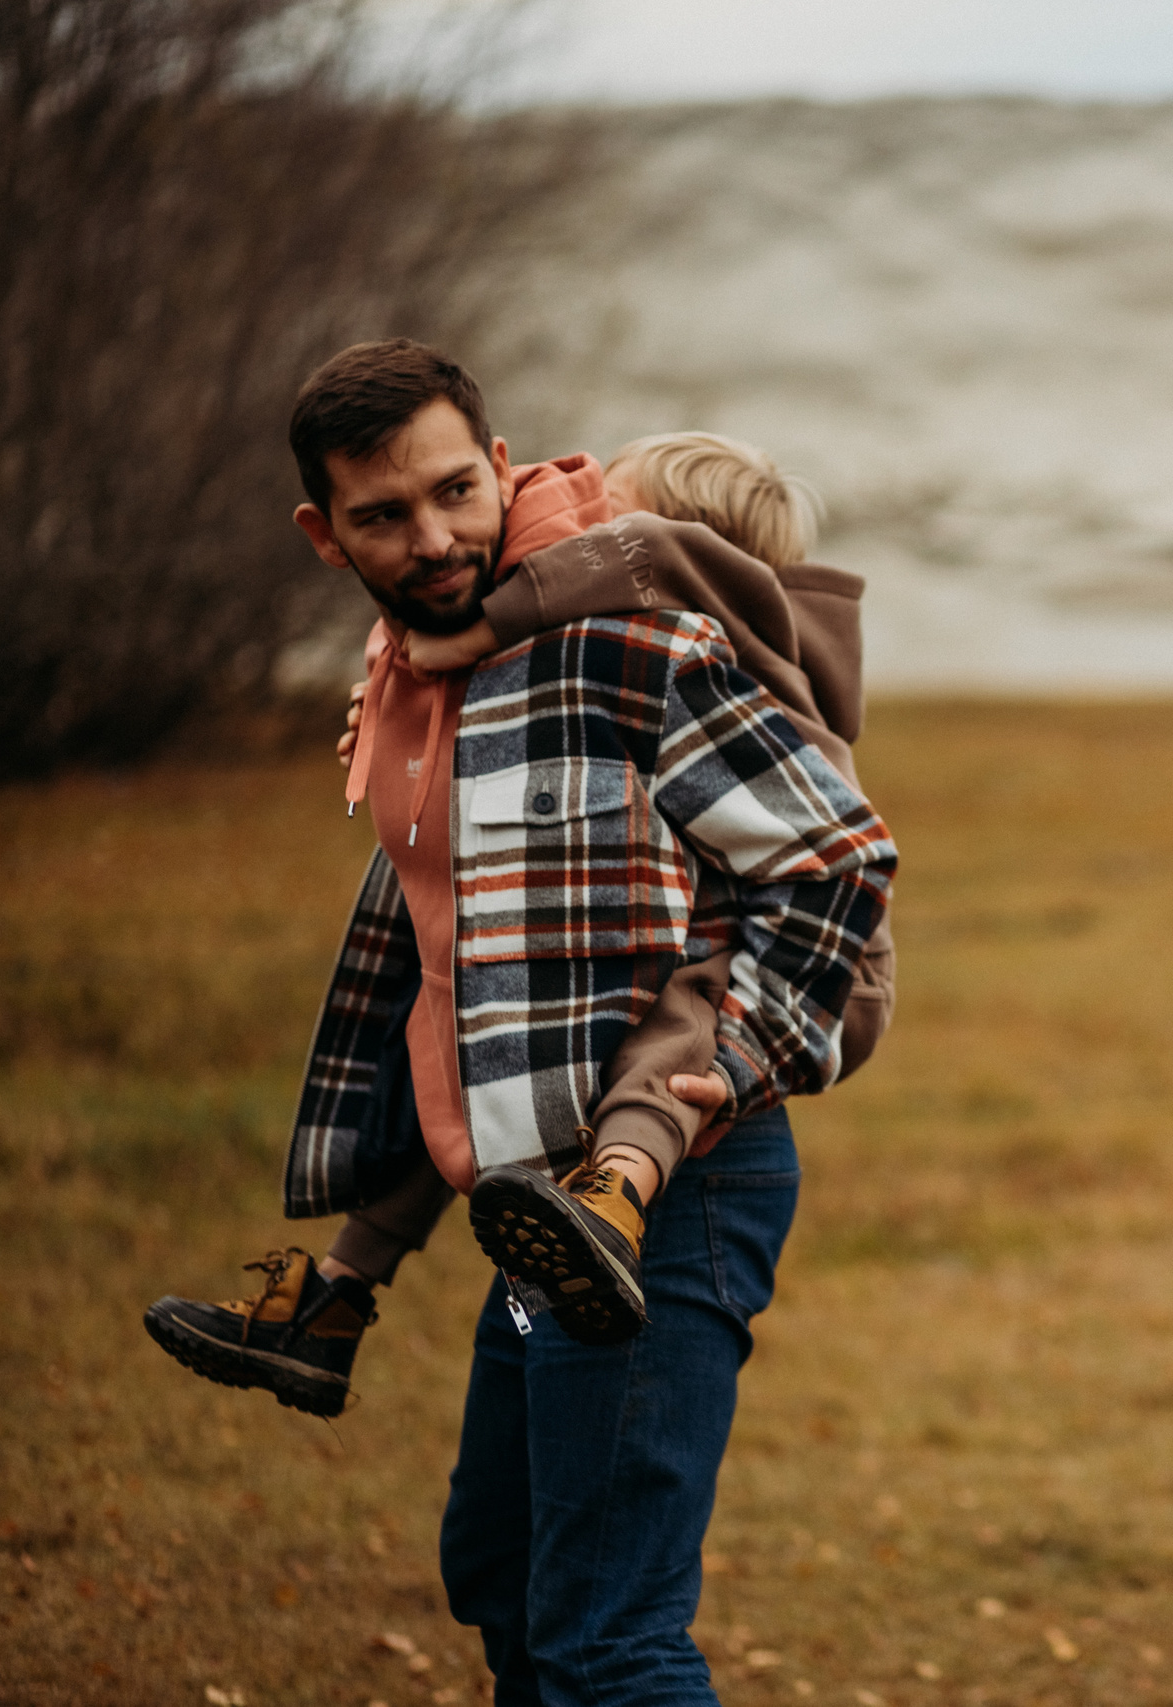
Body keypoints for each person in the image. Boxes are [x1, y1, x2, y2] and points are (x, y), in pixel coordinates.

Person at [148, 339, 897, 1704]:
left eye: (452, 494)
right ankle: (333, 1308)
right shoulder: (434, 666)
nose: (430, 536)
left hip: (677, 1183)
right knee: (502, 1575)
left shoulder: (634, 635)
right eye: (384, 513)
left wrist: (711, 1080)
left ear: (502, 469)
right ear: (328, 533)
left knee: (607, 1636)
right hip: (526, 1196)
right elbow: (446, 959)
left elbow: (837, 862)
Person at [146, 426, 895, 1378]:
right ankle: (340, 1289)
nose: (572, 530)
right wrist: (401, 716)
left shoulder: (704, 648)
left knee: (676, 1005)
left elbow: (836, 866)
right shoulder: (613, 652)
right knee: (476, 1001)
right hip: (650, 997)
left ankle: (616, 1196)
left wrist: (470, 632)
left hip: (772, 973)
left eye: (601, 517)